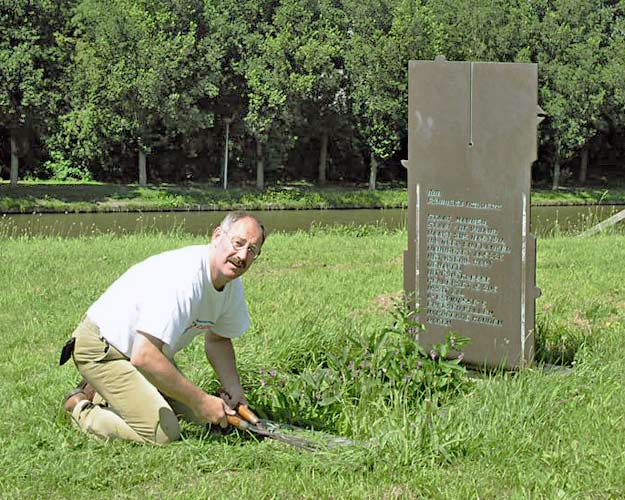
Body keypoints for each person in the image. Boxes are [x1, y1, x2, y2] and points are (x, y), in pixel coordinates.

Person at [60, 211, 265, 445]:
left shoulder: (231, 286)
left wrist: (234, 390)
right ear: (217, 235)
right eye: (238, 243)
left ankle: (103, 391)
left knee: (201, 420)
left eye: (252, 250)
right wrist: (201, 401)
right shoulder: (185, 279)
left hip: (144, 352)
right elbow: (144, 356)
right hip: (103, 348)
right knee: (163, 433)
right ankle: (80, 406)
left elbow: (218, 340)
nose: (242, 256)